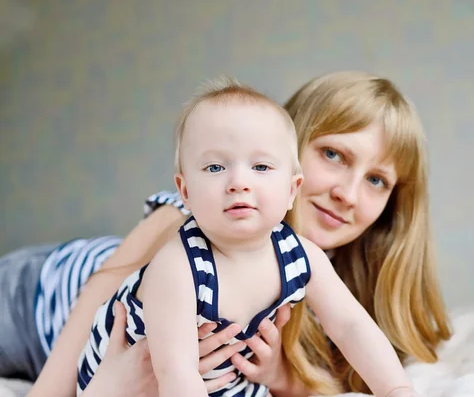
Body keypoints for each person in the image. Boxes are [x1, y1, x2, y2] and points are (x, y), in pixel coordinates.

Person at [0, 71, 450, 397]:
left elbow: (351, 333)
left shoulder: (305, 263)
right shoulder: (200, 213)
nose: (347, 193)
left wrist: (281, 376)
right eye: (333, 154)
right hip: (37, 298)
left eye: (377, 180)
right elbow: (101, 290)